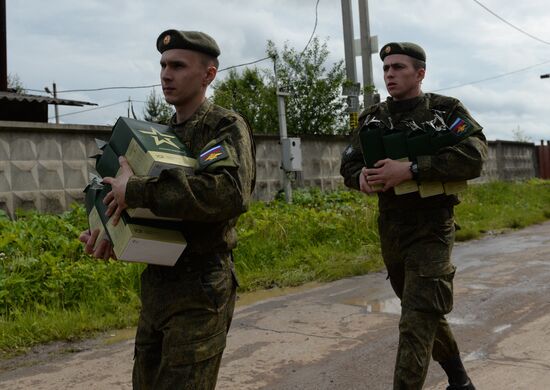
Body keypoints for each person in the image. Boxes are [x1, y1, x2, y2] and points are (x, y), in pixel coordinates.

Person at [79, 29, 256, 389]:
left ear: (209, 74)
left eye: (177, 65)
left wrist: (139, 191)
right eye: (162, 65)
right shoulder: (155, 136)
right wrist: (114, 233)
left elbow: (228, 193)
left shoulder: (221, 126)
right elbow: (141, 207)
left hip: (201, 287)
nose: (165, 73)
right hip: (157, 286)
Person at [340, 42, 487, 390]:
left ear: (419, 73)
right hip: (391, 228)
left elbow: (475, 155)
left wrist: (413, 169)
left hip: (432, 227)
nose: (390, 74)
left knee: (416, 318)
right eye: (387, 68)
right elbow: (349, 160)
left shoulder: (444, 110)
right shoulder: (373, 116)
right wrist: (358, 176)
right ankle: (460, 380)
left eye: (398, 68)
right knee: (421, 308)